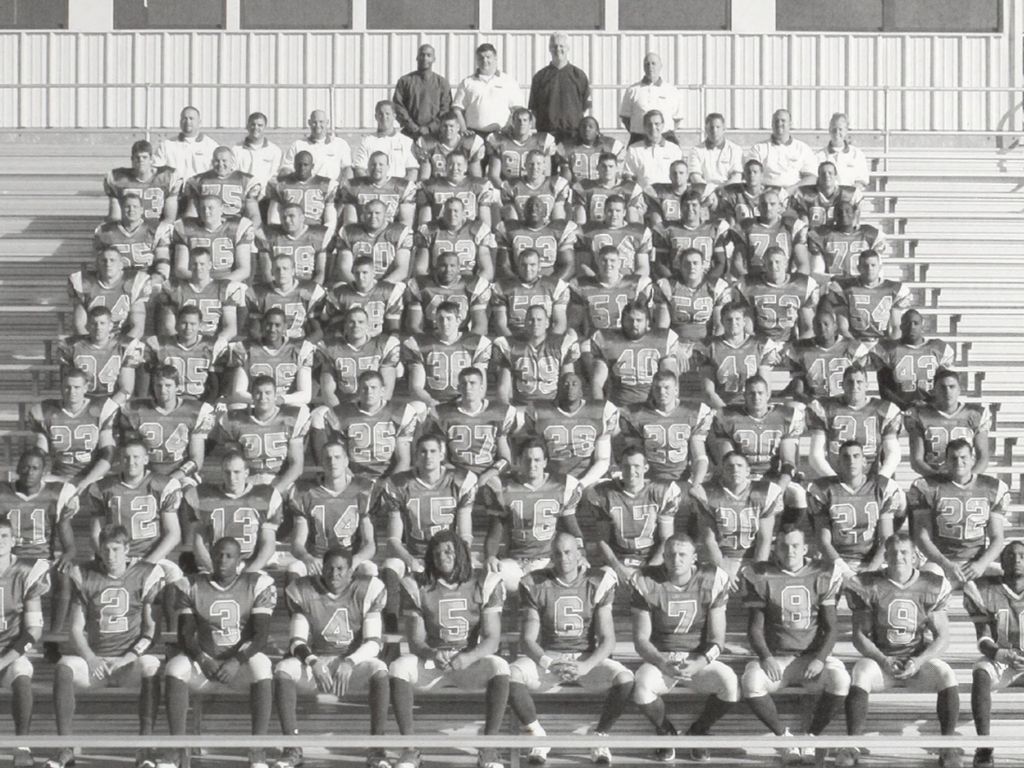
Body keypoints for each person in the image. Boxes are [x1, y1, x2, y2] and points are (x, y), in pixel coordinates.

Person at [507, 533, 634, 766]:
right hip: (550, 656)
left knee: (625, 679)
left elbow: (608, 639)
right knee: (510, 675)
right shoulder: (534, 583)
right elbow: (528, 639)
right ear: (550, 556)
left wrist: (586, 665)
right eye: (557, 553)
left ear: (579, 555)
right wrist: (548, 662)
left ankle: (599, 736)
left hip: (585, 657)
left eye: (568, 552)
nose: (563, 558)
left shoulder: (598, 581)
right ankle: (538, 736)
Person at [389, 531, 510, 768]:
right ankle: (410, 748)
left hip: (468, 661)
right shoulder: (417, 585)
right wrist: (432, 653)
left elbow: (493, 639)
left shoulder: (483, 581)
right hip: (433, 662)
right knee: (398, 666)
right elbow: (415, 641)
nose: (441, 556)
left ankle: (488, 748)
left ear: (461, 553)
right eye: (435, 553)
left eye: (447, 551)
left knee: (500, 665)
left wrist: (469, 657)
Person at [45, 525, 163, 768]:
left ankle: (146, 748)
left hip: (128, 663)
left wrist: (129, 657)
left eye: (116, 549)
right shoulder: (85, 574)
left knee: (152, 664)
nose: (110, 555)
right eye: (106, 549)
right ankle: (65, 748)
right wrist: (90, 658)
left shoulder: (145, 573)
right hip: (97, 662)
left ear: (128, 549)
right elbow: (76, 628)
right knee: (64, 666)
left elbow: (151, 630)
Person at [839, 534, 960, 768]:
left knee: (946, 673)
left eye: (904, 552)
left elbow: (943, 636)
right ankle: (852, 743)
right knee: (861, 671)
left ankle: (947, 746)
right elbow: (859, 636)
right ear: (885, 556)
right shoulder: (867, 584)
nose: (898, 557)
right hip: (882, 661)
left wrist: (919, 661)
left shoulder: (931, 584)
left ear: (915, 557)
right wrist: (883, 660)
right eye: (893, 552)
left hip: (916, 661)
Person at [740, 525, 849, 763]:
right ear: (775, 549)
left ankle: (811, 737)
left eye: (795, 546)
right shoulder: (760, 575)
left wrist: (820, 659)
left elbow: (831, 627)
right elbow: (755, 628)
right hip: (777, 657)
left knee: (841, 679)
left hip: (811, 657)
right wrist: (765, 656)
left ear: (805, 548)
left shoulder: (822, 573)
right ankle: (784, 738)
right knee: (751, 681)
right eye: (783, 546)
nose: (790, 551)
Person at [164, 537, 276, 768]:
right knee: (174, 667)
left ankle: (257, 749)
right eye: (218, 555)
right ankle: (176, 749)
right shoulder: (191, 584)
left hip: (239, 665)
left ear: (240, 560)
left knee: (263, 665)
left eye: (228, 556)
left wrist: (237, 661)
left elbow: (260, 635)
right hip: (206, 662)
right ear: (211, 557)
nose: (222, 560)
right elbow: (185, 635)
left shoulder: (256, 584)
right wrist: (203, 659)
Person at [273, 547, 390, 768]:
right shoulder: (303, 590)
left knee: (380, 669)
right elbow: (297, 641)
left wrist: (349, 661)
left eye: (340, 569)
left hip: (351, 662)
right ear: (321, 569)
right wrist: (313, 662)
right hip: (318, 661)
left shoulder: (368, 589)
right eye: (329, 568)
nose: (334, 574)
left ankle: (377, 747)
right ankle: (292, 747)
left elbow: (374, 642)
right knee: (284, 669)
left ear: (350, 571)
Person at [629, 534, 738, 762]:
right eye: (670, 555)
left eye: (682, 555)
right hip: (662, 658)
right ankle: (666, 732)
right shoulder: (646, 580)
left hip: (697, 658)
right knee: (641, 686)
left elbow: (718, 638)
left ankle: (698, 732)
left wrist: (699, 662)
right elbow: (641, 640)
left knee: (730, 683)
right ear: (663, 558)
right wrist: (661, 662)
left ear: (694, 558)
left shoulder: (712, 579)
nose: (676, 560)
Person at [481, 437, 584, 592]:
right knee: (489, 580)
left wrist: (581, 552)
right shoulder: (503, 487)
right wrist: (490, 556)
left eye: (537, 460)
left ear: (545, 462)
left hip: (549, 561)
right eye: (527, 460)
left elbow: (571, 526)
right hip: (515, 561)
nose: (532, 465)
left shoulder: (562, 486)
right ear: (518, 461)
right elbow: (495, 530)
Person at [377, 434, 476, 584]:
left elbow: (465, 534)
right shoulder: (399, 484)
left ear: (441, 455)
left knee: (479, 572)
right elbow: (393, 539)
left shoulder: (460, 481)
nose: (428, 456)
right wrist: (410, 560)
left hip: (449, 554)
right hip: (416, 555)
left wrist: (457, 557)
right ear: (415, 456)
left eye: (433, 451)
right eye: (423, 451)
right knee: (390, 567)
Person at [909, 438, 1008, 586]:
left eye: (963, 457)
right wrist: (946, 564)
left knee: (1011, 580)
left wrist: (981, 564)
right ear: (946, 461)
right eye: (953, 458)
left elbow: (997, 537)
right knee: (927, 582)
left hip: (976, 562)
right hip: (940, 562)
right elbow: (922, 537)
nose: (958, 462)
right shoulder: (928, 487)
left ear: (973, 459)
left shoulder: (991, 488)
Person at [963, 540, 1024, 768]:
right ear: (1000, 561)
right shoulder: (986, 589)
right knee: (980, 671)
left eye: (1021, 555)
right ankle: (984, 745)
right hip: (1003, 659)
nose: (1016, 560)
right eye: (1010, 555)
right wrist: (1000, 654)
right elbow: (983, 637)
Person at [90, 439, 184, 586]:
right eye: (126, 457)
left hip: (151, 557)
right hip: (115, 558)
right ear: (120, 459)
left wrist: (147, 563)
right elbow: (96, 534)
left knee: (176, 578)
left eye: (136, 457)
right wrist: (111, 560)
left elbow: (173, 534)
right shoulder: (103, 488)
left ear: (146, 459)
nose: (131, 462)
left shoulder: (162, 485)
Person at [808, 440, 903, 576]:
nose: (851, 461)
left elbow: (886, 537)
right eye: (845, 457)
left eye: (856, 456)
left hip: (872, 561)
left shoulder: (881, 488)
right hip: (837, 561)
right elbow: (823, 541)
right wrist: (844, 570)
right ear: (838, 463)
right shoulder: (823, 490)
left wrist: (871, 569)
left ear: (864, 461)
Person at [583, 445, 679, 580]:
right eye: (626, 466)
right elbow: (602, 540)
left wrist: (650, 569)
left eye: (636, 466)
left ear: (646, 468)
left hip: (652, 557)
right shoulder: (604, 494)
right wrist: (618, 568)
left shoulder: (661, 492)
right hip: (619, 557)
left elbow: (666, 539)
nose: (631, 471)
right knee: (603, 579)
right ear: (620, 468)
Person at [285, 443, 377, 579]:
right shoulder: (305, 493)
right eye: (327, 458)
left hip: (350, 558)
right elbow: (297, 543)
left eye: (337, 457)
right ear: (321, 462)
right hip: (318, 559)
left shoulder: (362, 490)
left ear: (346, 461)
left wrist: (356, 559)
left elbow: (370, 543)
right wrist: (307, 557)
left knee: (370, 568)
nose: (332, 462)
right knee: (294, 568)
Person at [309, 370, 422, 478]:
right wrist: (352, 482)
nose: (369, 392)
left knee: (419, 407)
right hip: (355, 477)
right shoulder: (342, 414)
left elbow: (404, 460)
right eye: (364, 388)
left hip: (389, 476)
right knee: (319, 412)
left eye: (373, 388)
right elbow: (341, 458)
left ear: (382, 391)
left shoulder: (398, 413)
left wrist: (389, 484)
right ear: (358, 391)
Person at [692, 451, 783, 586]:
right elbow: (708, 540)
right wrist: (723, 570)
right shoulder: (708, 493)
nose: (735, 469)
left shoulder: (763, 493)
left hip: (754, 557)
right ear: (722, 471)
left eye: (739, 465)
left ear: (748, 471)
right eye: (729, 466)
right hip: (722, 558)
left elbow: (765, 538)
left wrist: (758, 569)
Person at [182, 453, 282, 575]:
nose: (232, 477)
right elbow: (199, 543)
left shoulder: (266, 497)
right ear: (221, 472)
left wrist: (250, 572)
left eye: (237, 472)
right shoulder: (202, 497)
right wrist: (214, 570)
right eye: (227, 472)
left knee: (264, 585)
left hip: (249, 564)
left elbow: (268, 544)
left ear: (246, 473)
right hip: (216, 564)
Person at [0, 518, 48, 768]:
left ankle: (22, 744)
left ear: (13, 541)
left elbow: (34, 630)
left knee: (22, 673)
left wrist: (4, 660)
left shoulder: (24, 572)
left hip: (10, 652)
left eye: (4, 536)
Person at [117, 363, 214, 481]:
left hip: (180, 474)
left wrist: (172, 479)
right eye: (158, 385)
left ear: (178, 387)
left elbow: (197, 459)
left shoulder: (195, 411)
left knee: (189, 496)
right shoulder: (135, 410)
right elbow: (131, 452)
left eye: (168, 385)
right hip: (145, 473)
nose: (163, 390)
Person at [519, 371, 616, 488]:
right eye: (565, 384)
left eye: (574, 384)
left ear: (582, 390)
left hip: (588, 479)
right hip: (552, 479)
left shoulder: (602, 411)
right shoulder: (538, 411)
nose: (570, 388)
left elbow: (603, 459)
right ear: (557, 388)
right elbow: (536, 455)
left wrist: (582, 484)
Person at [209, 376, 308, 490]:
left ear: (275, 395)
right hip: (249, 480)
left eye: (268, 393)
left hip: (280, 480)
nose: (263, 397)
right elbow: (235, 463)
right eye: (258, 393)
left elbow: (297, 465)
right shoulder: (236, 420)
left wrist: (277, 490)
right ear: (251, 395)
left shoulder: (290, 419)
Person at [420, 366, 515, 485]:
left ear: (481, 387)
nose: (468, 387)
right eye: (464, 384)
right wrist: (459, 476)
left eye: (472, 383)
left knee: (495, 483)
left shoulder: (498, 413)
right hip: (455, 473)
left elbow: (505, 459)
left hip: (487, 472)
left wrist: (487, 475)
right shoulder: (443, 414)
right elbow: (441, 457)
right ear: (459, 388)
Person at [28, 369, 116, 495]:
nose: (72, 392)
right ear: (61, 387)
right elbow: (40, 451)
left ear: (86, 388)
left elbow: (108, 454)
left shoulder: (100, 410)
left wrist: (86, 481)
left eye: (77, 387)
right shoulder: (45, 411)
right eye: (67, 387)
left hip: (93, 477)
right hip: (59, 476)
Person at [807, 364, 903, 479]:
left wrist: (881, 478)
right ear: (842, 385)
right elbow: (815, 455)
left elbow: (893, 453)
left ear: (867, 385)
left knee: (899, 495)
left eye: (859, 382)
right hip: (836, 475)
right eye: (850, 382)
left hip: (870, 477)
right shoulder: (824, 408)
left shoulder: (885, 410)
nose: (854, 386)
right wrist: (832, 480)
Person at [618, 369, 712, 486]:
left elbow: (699, 456)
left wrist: (696, 484)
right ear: (652, 390)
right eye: (657, 388)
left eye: (667, 387)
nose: (662, 392)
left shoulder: (693, 412)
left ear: (676, 389)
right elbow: (636, 456)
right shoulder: (635, 414)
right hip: (649, 481)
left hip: (682, 479)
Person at [709, 375, 804, 488]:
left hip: (774, 476)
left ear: (768, 395)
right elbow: (729, 460)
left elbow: (788, 462)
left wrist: (779, 489)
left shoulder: (785, 417)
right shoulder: (727, 418)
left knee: (797, 495)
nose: (756, 397)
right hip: (740, 477)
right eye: (751, 393)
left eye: (760, 393)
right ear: (744, 396)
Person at [588, 301, 682, 407]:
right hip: (619, 405)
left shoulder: (662, 340)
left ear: (647, 322)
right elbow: (597, 382)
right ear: (622, 321)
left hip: (652, 407)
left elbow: (671, 379)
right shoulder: (606, 340)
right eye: (629, 320)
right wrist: (600, 408)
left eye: (639, 320)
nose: (634, 324)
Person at [905, 368, 991, 477]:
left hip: (965, 479)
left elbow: (983, 457)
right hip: (934, 479)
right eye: (942, 387)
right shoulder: (920, 414)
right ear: (933, 390)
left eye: (952, 387)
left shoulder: (974, 414)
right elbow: (916, 460)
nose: (947, 391)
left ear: (960, 389)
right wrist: (938, 479)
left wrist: (967, 479)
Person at [403, 302, 492, 406]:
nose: (444, 323)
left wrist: (462, 403)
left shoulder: (475, 344)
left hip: (464, 403)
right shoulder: (420, 344)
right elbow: (416, 387)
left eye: (449, 318)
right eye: (440, 319)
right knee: (416, 406)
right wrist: (432, 402)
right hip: (431, 402)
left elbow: (480, 386)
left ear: (458, 320)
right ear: (435, 321)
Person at [493, 304, 580, 405]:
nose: (535, 323)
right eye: (531, 319)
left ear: (547, 323)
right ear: (525, 323)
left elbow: (569, 381)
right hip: (522, 406)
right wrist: (507, 411)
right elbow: (503, 387)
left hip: (552, 407)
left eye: (539, 320)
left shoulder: (561, 345)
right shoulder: (510, 346)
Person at [227, 308, 316, 406]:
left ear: (285, 327)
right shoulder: (246, 349)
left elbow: (305, 395)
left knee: (300, 407)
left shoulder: (300, 349)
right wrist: (264, 400)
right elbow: (237, 392)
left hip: (286, 404)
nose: (272, 329)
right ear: (262, 325)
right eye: (269, 324)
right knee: (237, 406)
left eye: (277, 325)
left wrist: (281, 399)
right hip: (256, 403)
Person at [316, 305, 400, 406]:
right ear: (345, 326)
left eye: (361, 322)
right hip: (343, 405)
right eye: (351, 322)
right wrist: (339, 412)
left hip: (374, 407)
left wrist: (375, 410)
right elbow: (327, 392)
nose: (356, 325)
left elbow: (387, 389)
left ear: (368, 325)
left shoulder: (382, 346)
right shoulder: (331, 348)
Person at [57, 304, 144, 402]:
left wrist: (110, 407)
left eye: (102, 323)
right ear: (87, 326)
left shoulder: (125, 346)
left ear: (110, 325)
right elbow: (67, 385)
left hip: (113, 399)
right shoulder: (72, 346)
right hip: (82, 401)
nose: (98, 327)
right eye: (94, 323)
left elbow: (126, 389)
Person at [701, 301, 780, 408]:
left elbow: (765, 388)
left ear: (744, 322)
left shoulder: (760, 345)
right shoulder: (710, 346)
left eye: (737, 319)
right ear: (722, 322)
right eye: (729, 320)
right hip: (721, 405)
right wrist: (725, 413)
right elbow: (708, 391)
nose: (733, 323)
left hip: (752, 405)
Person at [872, 309, 954, 410]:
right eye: (907, 323)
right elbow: (884, 388)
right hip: (899, 409)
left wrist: (931, 404)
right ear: (901, 326)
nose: (912, 327)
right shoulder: (889, 349)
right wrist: (904, 406)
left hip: (931, 409)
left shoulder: (938, 348)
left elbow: (944, 384)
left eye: (916, 323)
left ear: (922, 325)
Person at [783, 308, 870, 401]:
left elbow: (859, 383)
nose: (822, 328)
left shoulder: (852, 347)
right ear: (813, 328)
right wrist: (811, 403)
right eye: (818, 325)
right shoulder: (801, 349)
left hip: (844, 401)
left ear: (835, 326)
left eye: (826, 324)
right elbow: (798, 390)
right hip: (815, 400)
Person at [146, 304, 228, 402]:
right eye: (184, 323)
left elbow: (217, 384)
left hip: (199, 401)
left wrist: (208, 404)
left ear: (200, 325)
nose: (188, 328)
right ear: (176, 323)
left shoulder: (212, 346)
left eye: (193, 324)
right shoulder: (160, 345)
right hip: (168, 401)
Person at [827, 249, 912, 343]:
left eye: (873, 265)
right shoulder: (844, 288)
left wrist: (891, 347)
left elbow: (896, 327)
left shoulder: (894, 289)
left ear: (880, 267)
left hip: (883, 343)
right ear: (858, 268)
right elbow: (843, 328)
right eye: (865, 266)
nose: (869, 269)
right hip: (854, 341)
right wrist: (856, 348)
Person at [158, 248, 243, 342]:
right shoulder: (175, 288)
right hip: (182, 342)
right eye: (194, 264)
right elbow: (168, 326)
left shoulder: (224, 288)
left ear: (210, 265)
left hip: (211, 342)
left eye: (202, 264)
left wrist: (219, 341)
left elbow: (230, 327)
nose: (198, 268)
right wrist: (181, 344)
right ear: (189, 266)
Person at [68, 247, 151, 339]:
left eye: (112, 260)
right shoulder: (85, 283)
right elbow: (79, 325)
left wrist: (121, 347)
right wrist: (94, 346)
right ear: (96, 265)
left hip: (122, 337)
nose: (108, 264)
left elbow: (138, 328)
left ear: (121, 264)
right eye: (103, 260)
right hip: (92, 339)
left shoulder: (134, 283)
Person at [571, 244, 655, 337]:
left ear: (619, 263)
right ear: (598, 262)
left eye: (612, 260)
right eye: (604, 260)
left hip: (625, 338)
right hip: (597, 339)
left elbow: (644, 319)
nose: (608, 264)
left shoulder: (636, 284)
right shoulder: (582, 286)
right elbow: (574, 322)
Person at [739, 245, 818, 342]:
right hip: (760, 343)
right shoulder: (751, 285)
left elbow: (809, 328)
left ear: (785, 264)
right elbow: (747, 327)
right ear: (764, 266)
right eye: (770, 263)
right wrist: (759, 347)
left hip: (789, 343)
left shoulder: (801, 285)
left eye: (777, 262)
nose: (774, 266)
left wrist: (797, 347)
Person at [171, 193, 255, 283]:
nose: (206, 212)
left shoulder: (238, 227)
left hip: (228, 282)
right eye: (203, 208)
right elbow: (180, 269)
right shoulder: (186, 228)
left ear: (221, 209)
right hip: (196, 283)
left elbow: (244, 270)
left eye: (211, 208)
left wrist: (220, 284)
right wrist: (204, 281)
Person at [654, 246, 731, 343]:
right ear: (680, 266)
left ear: (703, 265)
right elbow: (662, 326)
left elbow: (720, 326)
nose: (691, 267)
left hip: (707, 342)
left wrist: (713, 347)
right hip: (677, 343)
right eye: (687, 264)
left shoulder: (716, 287)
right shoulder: (668, 286)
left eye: (695, 263)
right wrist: (674, 348)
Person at [727, 188, 809, 279]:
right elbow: (737, 264)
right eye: (763, 204)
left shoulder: (791, 226)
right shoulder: (746, 227)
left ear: (780, 207)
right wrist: (748, 283)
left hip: (783, 283)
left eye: (772, 204)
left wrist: (793, 285)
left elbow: (803, 264)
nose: (768, 208)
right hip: (756, 282)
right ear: (758, 208)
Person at [405, 249, 490, 336]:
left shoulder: (472, 285)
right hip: (430, 337)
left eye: (452, 266)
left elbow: (481, 327)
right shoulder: (421, 285)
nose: (448, 270)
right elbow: (413, 326)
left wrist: (466, 343)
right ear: (436, 267)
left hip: (462, 337)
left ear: (458, 268)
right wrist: (426, 343)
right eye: (443, 266)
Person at [489, 248, 570, 338]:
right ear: (517, 267)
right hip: (515, 335)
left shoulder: (554, 286)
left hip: (545, 336)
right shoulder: (503, 287)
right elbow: (501, 324)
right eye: (524, 265)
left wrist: (549, 343)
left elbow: (560, 323)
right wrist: (512, 343)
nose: (528, 269)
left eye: (532, 265)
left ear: (539, 267)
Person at [244, 253, 326, 342]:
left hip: (299, 340)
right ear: (272, 272)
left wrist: (306, 344)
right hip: (271, 342)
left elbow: (318, 329)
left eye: (285, 268)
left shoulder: (310, 291)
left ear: (293, 271)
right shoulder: (259, 293)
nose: (281, 272)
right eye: (277, 269)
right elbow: (254, 330)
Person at [104, 139, 181, 233]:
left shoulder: (166, 178)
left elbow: (169, 219)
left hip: (158, 230)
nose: (141, 161)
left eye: (144, 157)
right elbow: (115, 217)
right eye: (137, 157)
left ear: (151, 159)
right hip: (129, 230)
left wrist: (159, 234)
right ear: (132, 159)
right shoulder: (118, 180)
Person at [494, 195, 577, 280]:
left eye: (538, 206)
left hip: (549, 285)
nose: (533, 208)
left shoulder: (559, 230)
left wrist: (552, 286)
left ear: (545, 212)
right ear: (523, 211)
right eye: (529, 206)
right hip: (518, 285)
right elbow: (503, 265)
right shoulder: (509, 230)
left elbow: (568, 265)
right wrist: (518, 286)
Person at [651, 187, 728, 279]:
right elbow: (660, 264)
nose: (690, 209)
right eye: (686, 205)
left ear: (701, 208)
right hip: (677, 278)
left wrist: (708, 282)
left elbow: (721, 263)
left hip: (705, 278)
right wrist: (673, 282)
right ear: (680, 208)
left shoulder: (713, 228)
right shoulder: (667, 229)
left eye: (694, 205)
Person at [332, 198, 414, 284]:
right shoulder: (349, 232)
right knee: (339, 286)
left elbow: (402, 269)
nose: (373, 217)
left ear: (386, 215)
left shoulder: (399, 232)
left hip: (388, 284)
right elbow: (344, 269)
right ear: (363, 215)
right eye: (369, 213)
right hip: (357, 283)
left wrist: (381, 287)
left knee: (400, 287)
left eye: (377, 213)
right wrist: (359, 286)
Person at [528, 32, 591, 144]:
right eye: (554, 46)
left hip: (573, 134)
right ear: (549, 49)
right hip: (547, 134)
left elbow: (585, 106)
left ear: (567, 48)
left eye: (561, 46)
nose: (558, 49)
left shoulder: (579, 75)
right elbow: (534, 108)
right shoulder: (540, 77)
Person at [413, 197, 496, 281]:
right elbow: (421, 269)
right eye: (449, 211)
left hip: (467, 281)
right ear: (443, 213)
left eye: (456, 211)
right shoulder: (429, 230)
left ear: (464, 213)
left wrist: (475, 287)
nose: (452, 214)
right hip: (439, 281)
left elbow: (487, 271)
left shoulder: (477, 230)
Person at [452, 43, 524, 137]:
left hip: (502, 135)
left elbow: (517, 109)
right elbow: (457, 109)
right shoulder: (467, 82)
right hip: (474, 135)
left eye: (488, 57)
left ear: (495, 58)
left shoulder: (508, 81)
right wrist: (463, 128)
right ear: (477, 60)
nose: (484, 60)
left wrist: (509, 126)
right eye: (481, 58)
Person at [324, 256, 404, 339]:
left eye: (365, 272)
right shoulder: (340, 294)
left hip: (377, 343)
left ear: (373, 273)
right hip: (349, 342)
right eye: (357, 273)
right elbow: (334, 327)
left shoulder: (388, 291)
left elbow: (393, 327)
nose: (361, 277)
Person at [93, 192, 170, 278]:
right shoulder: (106, 232)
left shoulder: (155, 230)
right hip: (117, 280)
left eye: (135, 207)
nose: (131, 210)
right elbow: (100, 263)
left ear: (141, 210)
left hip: (146, 277)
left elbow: (163, 261)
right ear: (121, 209)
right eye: (127, 207)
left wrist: (157, 279)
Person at [575, 194, 652, 278]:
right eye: (610, 211)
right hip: (597, 284)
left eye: (618, 211)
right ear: (604, 211)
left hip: (628, 284)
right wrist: (598, 282)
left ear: (624, 212)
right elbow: (583, 265)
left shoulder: (638, 233)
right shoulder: (588, 232)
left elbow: (643, 267)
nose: (614, 215)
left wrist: (630, 283)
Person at [255, 201, 331, 284]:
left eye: (291, 216)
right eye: (283, 217)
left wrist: (313, 290)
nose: (287, 220)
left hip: (307, 285)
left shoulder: (317, 235)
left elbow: (320, 272)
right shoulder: (269, 235)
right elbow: (266, 273)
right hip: (278, 286)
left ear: (302, 218)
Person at [806, 200, 887, 278]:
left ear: (854, 214)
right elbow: (817, 272)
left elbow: (877, 270)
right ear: (834, 215)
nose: (843, 214)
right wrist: (832, 280)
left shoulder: (869, 235)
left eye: (847, 211)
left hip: (860, 285)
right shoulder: (821, 235)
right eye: (839, 212)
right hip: (833, 285)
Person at [416, 150, 496, 228]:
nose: (454, 168)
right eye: (451, 164)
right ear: (445, 166)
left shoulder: (479, 186)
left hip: (469, 233)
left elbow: (485, 225)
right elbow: (425, 225)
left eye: (459, 164)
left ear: (466, 167)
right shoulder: (430, 187)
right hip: (440, 232)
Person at [182, 145, 262, 223]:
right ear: (212, 162)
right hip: (207, 226)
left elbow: (253, 214)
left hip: (235, 226)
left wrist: (249, 230)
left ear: (232, 162)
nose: (220, 164)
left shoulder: (246, 180)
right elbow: (192, 212)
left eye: (224, 160)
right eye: (217, 161)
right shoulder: (199, 180)